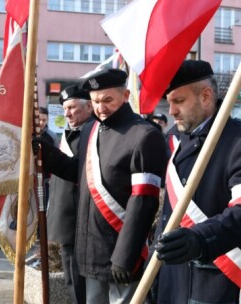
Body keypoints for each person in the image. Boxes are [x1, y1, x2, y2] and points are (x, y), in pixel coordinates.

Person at [35, 69, 167, 303]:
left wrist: (125, 255)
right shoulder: (91, 129)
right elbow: (78, 172)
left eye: (108, 100)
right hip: (90, 250)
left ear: (125, 95)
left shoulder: (144, 135)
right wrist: (44, 151)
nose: (101, 108)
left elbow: (144, 201)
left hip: (121, 251)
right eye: (95, 101)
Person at [154, 60, 241, 304]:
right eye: (169, 102)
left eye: (179, 101)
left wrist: (200, 238)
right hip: (172, 279)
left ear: (206, 96)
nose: (171, 111)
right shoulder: (175, 138)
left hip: (215, 281)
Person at [47, 85, 93, 303]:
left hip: (78, 222)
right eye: (65, 108)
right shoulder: (74, 133)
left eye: (72, 107)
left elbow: (77, 171)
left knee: (78, 285)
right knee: (72, 282)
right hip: (67, 221)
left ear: (89, 107)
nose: (66, 114)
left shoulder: (92, 132)